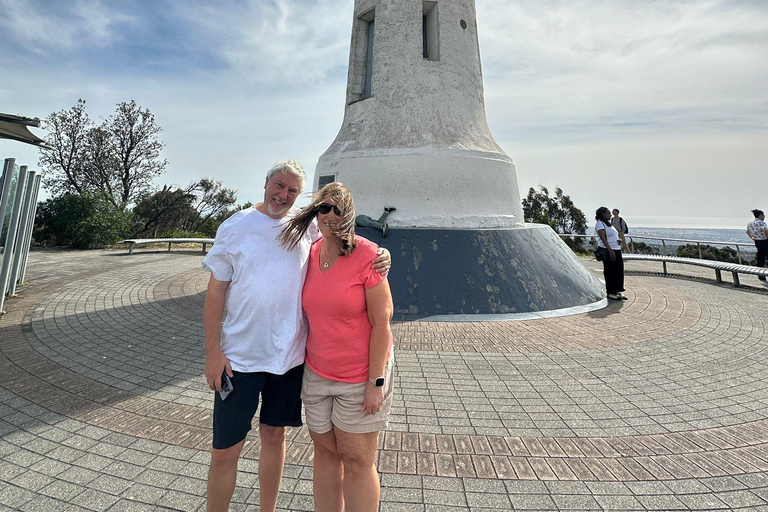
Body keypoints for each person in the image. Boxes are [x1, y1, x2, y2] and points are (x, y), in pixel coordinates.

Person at [201, 161, 391, 512]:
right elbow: (215, 293)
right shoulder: (236, 226)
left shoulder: (307, 229)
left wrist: (383, 255)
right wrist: (213, 351)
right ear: (266, 183)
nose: (283, 195)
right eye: (279, 185)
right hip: (239, 360)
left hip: (289, 360)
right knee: (225, 450)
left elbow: (345, 239)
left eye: (291, 190)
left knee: (275, 437)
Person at [279, 182, 394, 512]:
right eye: (323, 208)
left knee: (357, 459)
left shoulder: (369, 256)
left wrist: (376, 384)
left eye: (337, 209)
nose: (329, 215)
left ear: (349, 215)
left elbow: (382, 324)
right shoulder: (311, 251)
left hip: (359, 377)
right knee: (326, 453)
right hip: (317, 373)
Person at [596, 206, 626, 300]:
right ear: (603, 214)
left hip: (616, 248)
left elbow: (612, 236)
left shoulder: (609, 224)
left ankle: (617, 290)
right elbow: (603, 238)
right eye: (608, 213)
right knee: (610, 271)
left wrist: (618, 240)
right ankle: (611, 292)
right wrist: (610, 250)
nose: (610, 214)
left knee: (618, 270)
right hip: (608, 250)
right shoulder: (600, 224)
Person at [747, 208, 768, 283]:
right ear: (761, 215)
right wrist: (767, 237)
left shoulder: (750, 223)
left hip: (757, 242)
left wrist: (753, 238)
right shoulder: (762, 223)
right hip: (765, 241)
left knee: (760, 258)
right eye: (763, 215)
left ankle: (761, 275)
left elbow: (747, 232)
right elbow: (765, 230)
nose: (764, 217)